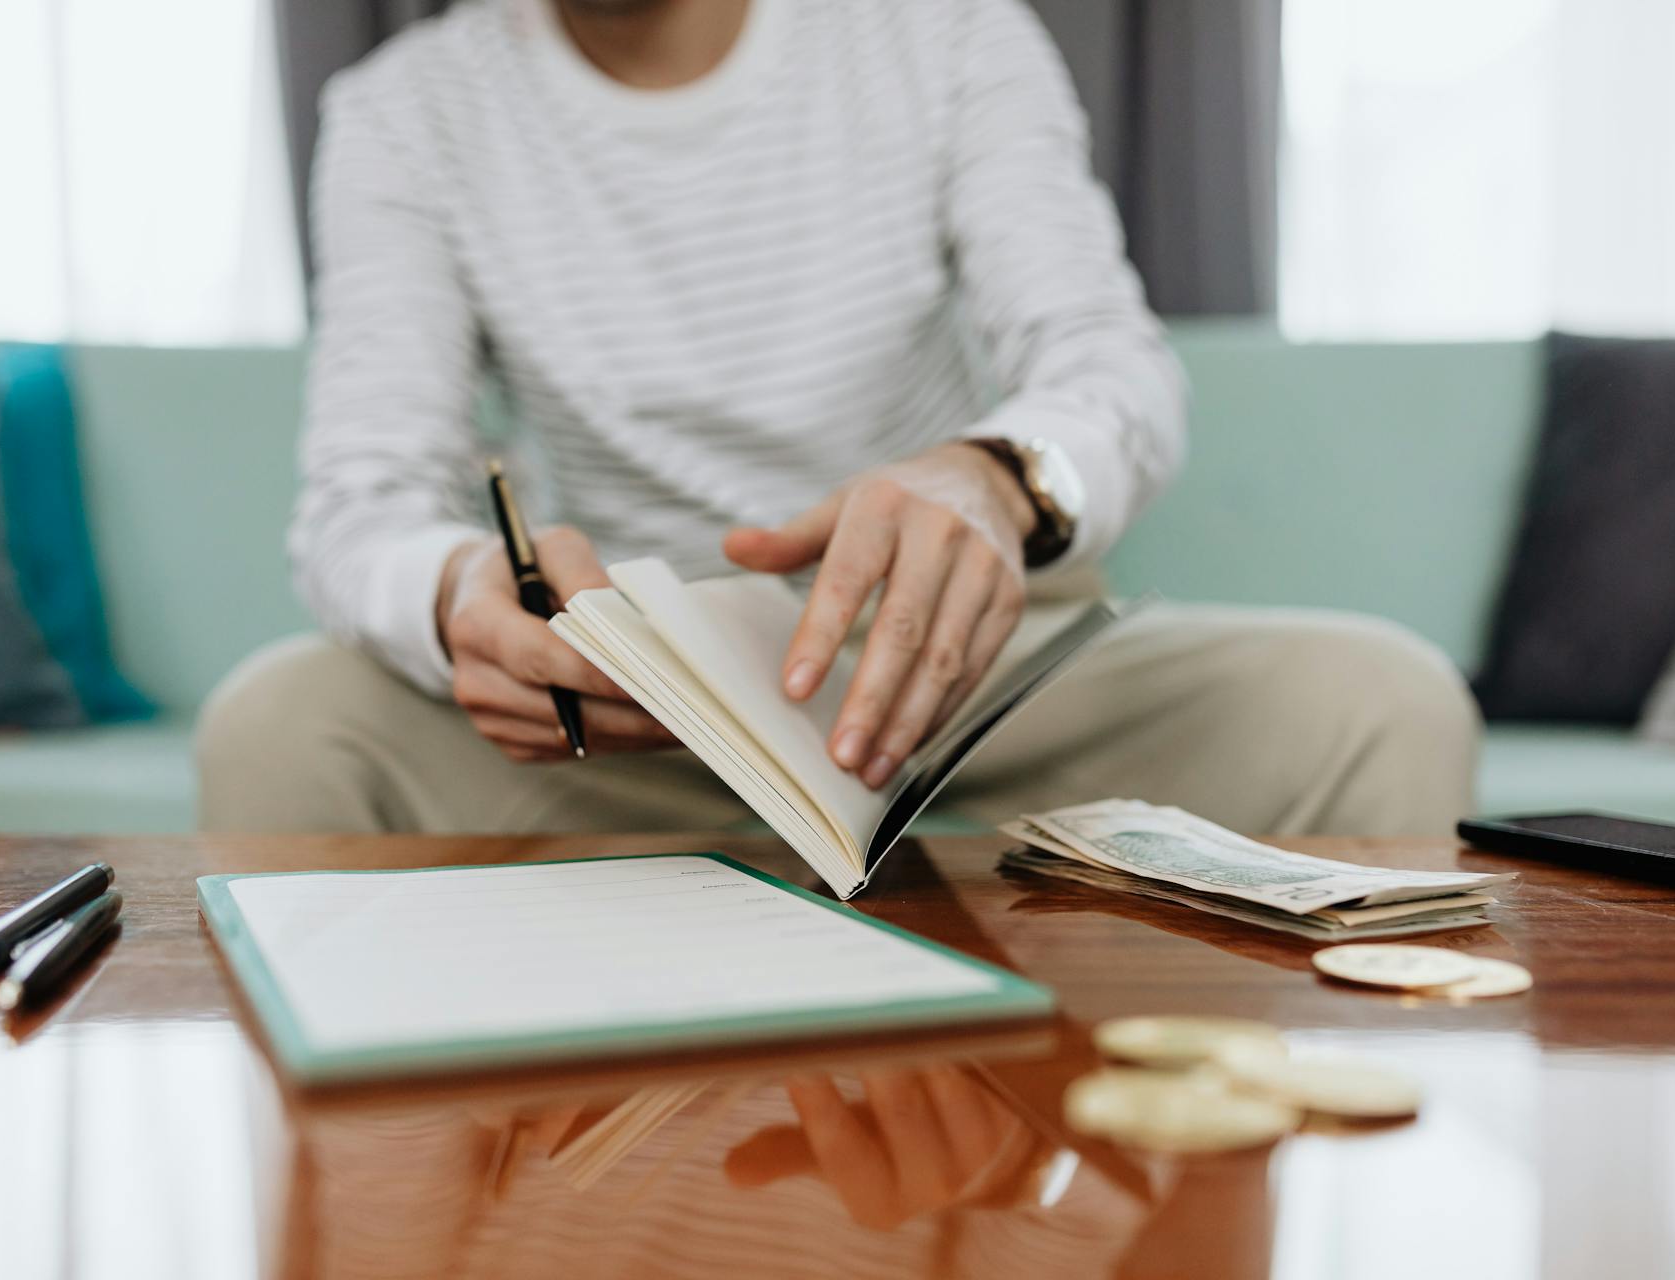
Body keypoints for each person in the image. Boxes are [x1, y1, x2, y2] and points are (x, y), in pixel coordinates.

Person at [198, 0, 1478, 836]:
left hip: (976, 673)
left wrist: (990, 482)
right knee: (281, 725)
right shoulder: (403, 113)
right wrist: (461, 592)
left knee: (1388, 705)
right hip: (636, 710)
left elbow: (1110, 367)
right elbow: (363, 502)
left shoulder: (948, 33)